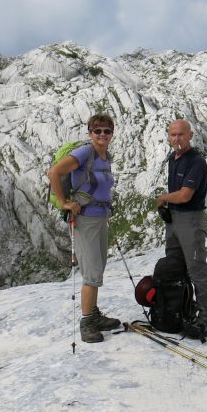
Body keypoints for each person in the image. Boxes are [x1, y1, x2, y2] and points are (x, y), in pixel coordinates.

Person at [48, 113, 121, 343]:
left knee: (97, 269)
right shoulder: (84, 153)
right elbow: (55, 173)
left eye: (106, 131)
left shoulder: (105, 156)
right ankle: (87, 322)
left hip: (100, 218)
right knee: (90, 272)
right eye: (97, 131)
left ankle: (94, 314)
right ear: (90, 133)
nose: (102, 135)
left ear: (111, 134)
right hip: (86, 219)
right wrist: (64, 202)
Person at [156, 119, 207, 339]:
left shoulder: (196, 161)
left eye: (181, 134)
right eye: (173, 135)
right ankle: (183, 309)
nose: (177, 139)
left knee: (197, 270)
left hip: (190, 220)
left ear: (190, 135)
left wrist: (162, 198)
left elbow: (185, 195)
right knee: (175, 266)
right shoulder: (173, 159)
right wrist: (167, 206)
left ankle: (205, 321)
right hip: (173, 219)